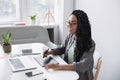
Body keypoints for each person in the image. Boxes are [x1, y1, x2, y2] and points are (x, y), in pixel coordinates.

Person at [43, 10, 95, 80]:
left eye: (73, 23)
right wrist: (51, 52)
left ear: (81, 25)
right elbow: (64, 48)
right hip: (68, 73)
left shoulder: (90, 43)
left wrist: (58, 67)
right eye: (69, 22)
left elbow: (83, 65)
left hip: (80, 77)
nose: (69, 25)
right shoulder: (70, 36)